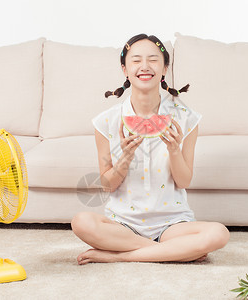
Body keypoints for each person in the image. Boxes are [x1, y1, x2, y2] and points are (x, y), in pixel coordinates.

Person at [71, 34, 229, 265]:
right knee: (80, 221)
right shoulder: (106, 122)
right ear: (124, 69)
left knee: (219, 233)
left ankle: (118, 256)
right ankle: (172, 252)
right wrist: (125, 157)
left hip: (172, 224)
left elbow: (184, 181)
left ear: (165, 68)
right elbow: (107, 185)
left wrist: (174, 150)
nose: (144, 66)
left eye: (153, 60)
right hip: (123, 224)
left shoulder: (186, 118)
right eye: (136, 60)